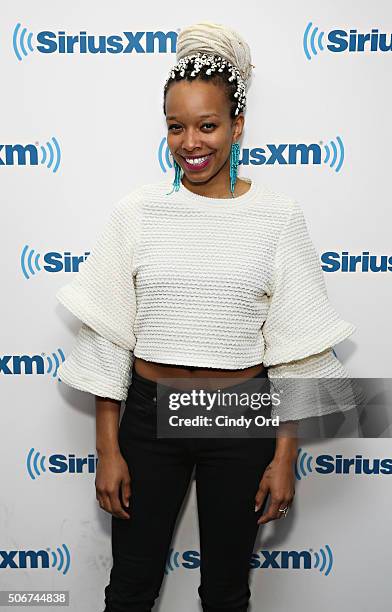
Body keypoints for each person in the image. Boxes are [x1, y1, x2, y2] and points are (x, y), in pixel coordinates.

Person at [55, 21, 357, 612]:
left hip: (238, 415)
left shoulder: (278, 216)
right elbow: (109, 336)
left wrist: (285, 457)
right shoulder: (136, 213)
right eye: (176, 126)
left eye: (208, 125)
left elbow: (294, 349)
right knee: (129, 591)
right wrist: (107, 448)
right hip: (148, 414)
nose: (191, 142)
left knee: (224, 593)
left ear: (237, 126)